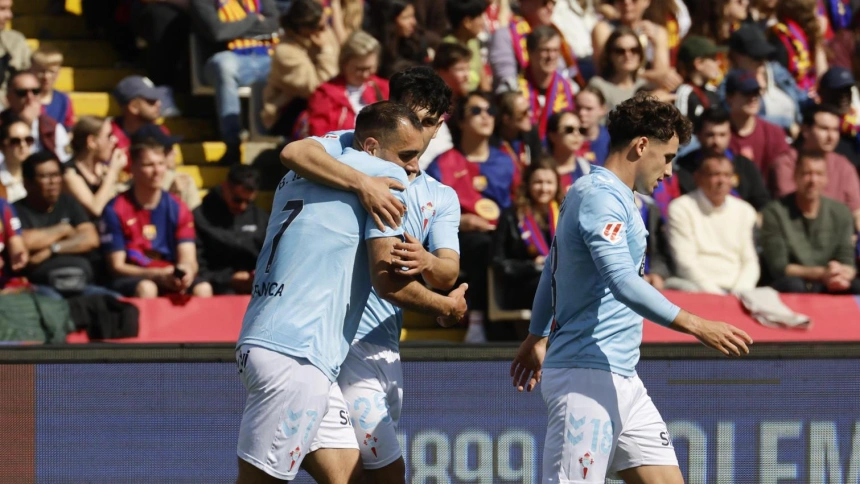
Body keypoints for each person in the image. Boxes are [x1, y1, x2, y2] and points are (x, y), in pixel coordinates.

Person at [511, 94, 753, 484]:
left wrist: (537, 335)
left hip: (622, 376)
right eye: (668, 157)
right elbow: (622, 282)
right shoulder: (599, 197)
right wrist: (697, 325)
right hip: (584, 377)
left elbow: (551, 273)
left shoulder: (609, 196)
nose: (670, 171)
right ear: (641, 146)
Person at [236, 101, 467, 484]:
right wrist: (447, 306)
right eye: (406, 155)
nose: (412, 166)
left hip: (271, 336)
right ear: (372, 146)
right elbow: (387, 281)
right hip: (298, 354)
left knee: (352, 477)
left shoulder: (306, 168)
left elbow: (293, 151)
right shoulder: (384, 176)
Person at [100, 140, 212, 298]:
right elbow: (117, 267)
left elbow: (189, 257)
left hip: (169, 273)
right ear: (133, 168)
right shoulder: (115, 208)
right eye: (149, 165)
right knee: (147, 288)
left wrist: (186, 271)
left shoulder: (178, 207)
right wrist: (156, 274)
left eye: (161, 164)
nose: (157, 171)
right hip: (135, 277)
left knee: (203, 288)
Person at [15, 151, 116, 299]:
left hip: (83, 284)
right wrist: (63, 229)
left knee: (118, 303)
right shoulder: (16, 210)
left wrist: (52, 249)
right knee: (57, 307)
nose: (53, 181)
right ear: (27, 183)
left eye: (56, 175)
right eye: (45, 176)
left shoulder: (69, 203)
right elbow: (23, 242)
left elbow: (91, 239)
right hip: (43, 288)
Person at [190, 0, 278, 164]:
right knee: (224, 66)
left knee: (293, 62)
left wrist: (235, 29)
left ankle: (285, 140)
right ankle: (232, 143)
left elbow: (274, 25)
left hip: (267, 57)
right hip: (229, 59)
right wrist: (254, 19)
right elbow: (219, 32)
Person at [760, 153, 860, 294]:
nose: (813, 180)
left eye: (819, 174)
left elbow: (847, 261)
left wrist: (840, 274)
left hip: (829, 281)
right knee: (794, 284)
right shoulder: (775, 212)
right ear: (795, 176)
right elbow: (779, 267)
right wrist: (822, 273)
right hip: (791, 284)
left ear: (826, 178)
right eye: (807, 174)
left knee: (855, 286)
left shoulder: (841, 212)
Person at [666, 151, 760, 294]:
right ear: (698, 178)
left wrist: (739, 294)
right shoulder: (681, 208)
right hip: (696, 288)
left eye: (727, 175)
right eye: (714, 174)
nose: (721, 181)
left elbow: (750, 261)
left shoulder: (745, 211)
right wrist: (717, 296)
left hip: (737, 291)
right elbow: (685, 262)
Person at [492, 158, 563, 310]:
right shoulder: (511, 216)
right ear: (527, 184)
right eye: (538, 182)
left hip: (559, 280)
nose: (544, 188)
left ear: (557, 185)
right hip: (523, 286)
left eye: (549, 183)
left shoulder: (565, 216)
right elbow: (498, 262)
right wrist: (532, 265)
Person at [674, 107, 771, 212]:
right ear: (699, 135)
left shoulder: (744, 165)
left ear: (730, 135)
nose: (716, 141)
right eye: (710, 135)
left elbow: (762, 203)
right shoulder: (685, 167)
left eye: (722, 135)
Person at [193, 165, 268, 295]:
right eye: (237, 200)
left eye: (248, 201)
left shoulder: (261, 218)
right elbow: (198, 265)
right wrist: (229, 278)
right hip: (217, 286)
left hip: (256, 285)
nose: (242, 206)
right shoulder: (201, 217)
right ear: (225, 187)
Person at [306, 31, 389, 137]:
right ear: (344, 64)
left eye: (369, 68)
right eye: (359, 69)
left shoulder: (383, 88)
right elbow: (319, 135)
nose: (365, 74)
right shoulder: (325, 94)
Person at [64, 116, 127, 219]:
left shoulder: (103, 170)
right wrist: (113, 172)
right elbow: (95, 209)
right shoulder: (69, 174)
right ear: (92, 141)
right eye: (109, 136)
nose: (114, 140)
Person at [2, 72, 71, 163]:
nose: (30, 97)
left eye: (35, 91)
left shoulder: (53, 128)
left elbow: (66, 163)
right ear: (8, 97)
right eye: (22, 93)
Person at [30, 47, 74, 130]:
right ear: (32, 71)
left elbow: (68, 128)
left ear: (58, 72)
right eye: (41, 71)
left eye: (51, 71)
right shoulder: (26, 97)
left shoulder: (63, 100)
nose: (46, 76)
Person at [546, 111, 591, 191]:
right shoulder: (541, 170)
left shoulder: (589, 169)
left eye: (581, 130)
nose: (576, 134)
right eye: (569, 130)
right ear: (552, 136)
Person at [0, 114, 32, 202]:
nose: (23, 145)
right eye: (15, 141)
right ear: (2, 146)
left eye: (28, 140)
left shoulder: (39, 176)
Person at [576, 87, 611, 165]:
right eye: (578, 107)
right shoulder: (562, 138)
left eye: (589, 109)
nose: (582, 113)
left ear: (603, 109)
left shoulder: (611, 140)